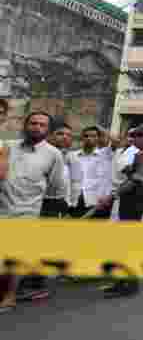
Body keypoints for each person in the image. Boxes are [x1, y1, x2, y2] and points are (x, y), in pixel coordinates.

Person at [0, 111, 67, 312]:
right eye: (33, 123)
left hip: (26, 212)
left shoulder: (53, 154)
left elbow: (55, 186)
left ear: (48, 130)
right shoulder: (8, 147)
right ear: (25, 125)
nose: (36, 127)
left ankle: (9, 296)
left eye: (42, 124)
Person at [109, 124, 143, 297]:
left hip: (135, 198)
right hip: (134, 198)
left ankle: (129, 284)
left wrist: (115, 193)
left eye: (138, 136)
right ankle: (122, 281)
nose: (134, 139)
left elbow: (138, 179)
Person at [68, 126, 114, 219]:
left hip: (96, 202)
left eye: (93, 136)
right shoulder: (72, 155)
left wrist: (100, 129)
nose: (89, 138)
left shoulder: (105, 154)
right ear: (82, 138)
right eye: (86, 136)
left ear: (98, 138)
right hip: (75, 200)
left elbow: (115, 140)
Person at [40, 119, 73, 219]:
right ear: (49, 136)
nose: (65, 137)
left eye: (68, 135)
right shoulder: (41, 155)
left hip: (61, 207)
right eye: (60, 133)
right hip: (41, 205)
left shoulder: (70, 158)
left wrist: (67, 205)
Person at [110, 130, 139, 222]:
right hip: (110, 190)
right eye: (129, 136)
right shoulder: (118, 151)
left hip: (126, 192)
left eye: (134, 137)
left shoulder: (138, 153)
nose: (131, 139)